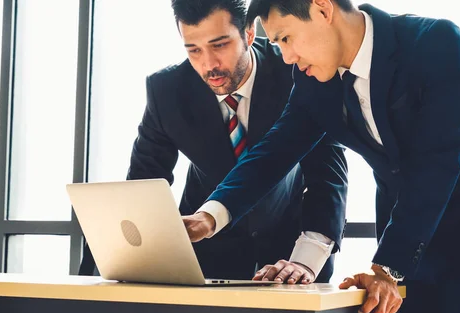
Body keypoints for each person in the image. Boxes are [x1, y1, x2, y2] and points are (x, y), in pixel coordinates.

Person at [181, 1, 460, 313]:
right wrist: (210, 216)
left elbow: (436, 165)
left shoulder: (436, 44)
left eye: (287, 38)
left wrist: (387, 269)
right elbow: (274, 151)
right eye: (277, 43)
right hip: (407, 247)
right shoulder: (312, 80)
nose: (287, 56)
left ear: (322, 9)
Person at [82, 0, 348, 284]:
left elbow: (327, 172)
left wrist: (308, 257)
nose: (209, 65)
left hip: (291, 251)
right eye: (193, 50)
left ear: (248, 33)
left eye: (220, 45)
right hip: (206, 251)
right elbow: (141, 184)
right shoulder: (167, 91)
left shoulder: (298, 70)